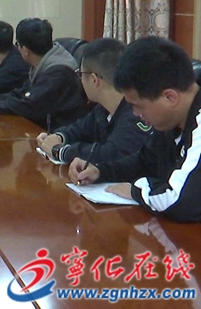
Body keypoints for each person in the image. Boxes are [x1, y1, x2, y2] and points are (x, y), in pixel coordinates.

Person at [70, 37, 201, 223]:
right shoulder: (171, 121)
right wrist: (100, 172)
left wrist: (136, 189)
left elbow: (178, 201)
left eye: (138, 105)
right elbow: (145, 161)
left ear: (170, 98)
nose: (135, 114)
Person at [37, 38, 152, 164]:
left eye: (80, 74)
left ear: (94, 80)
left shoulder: (136, 112)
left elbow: (111, 154)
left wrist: (60, 151)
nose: (80, 79)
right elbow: (79, 129)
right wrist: (58, 137)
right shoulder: (102, 109)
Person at [0, 18, 86, 130]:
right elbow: (20, 94)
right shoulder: (41, 64)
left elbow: (27, 106)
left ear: (25, 50)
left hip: (58, 135)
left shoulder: (58, 72)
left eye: (18, 45)